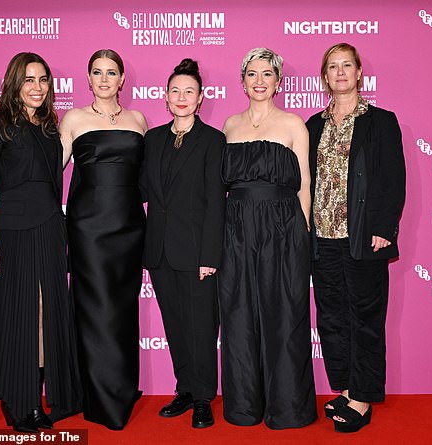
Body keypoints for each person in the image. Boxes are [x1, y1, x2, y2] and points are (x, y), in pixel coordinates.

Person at [0, 52, 81, 433]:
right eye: (29, 80)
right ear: (14, 84)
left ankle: (39, 396)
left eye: (43, 80)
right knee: (21, 313)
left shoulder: (51, 128)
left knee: (46, 315)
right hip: (13, 233)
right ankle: (19, 401)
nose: (37, 88)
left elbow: (56, 182)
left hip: (50, 229)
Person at [306, 43, 406, 433]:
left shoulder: (381, 121)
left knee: (365, 318)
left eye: (347, 65)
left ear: (359, 72)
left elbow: (393, 179)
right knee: (331, 319)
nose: (341, 72)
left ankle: (362, 399)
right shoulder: (314, 125)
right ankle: (347, 389)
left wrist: (384, 227)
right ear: (325, 76)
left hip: (364, 237)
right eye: (333, 67)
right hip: (323, 239)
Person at [218, 48, 316, 429]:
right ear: (242, 80)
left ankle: (288, 407)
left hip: (283, 228)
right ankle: (244, 406)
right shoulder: (228, 125)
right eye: (252, 74)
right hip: (236, 228)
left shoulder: (294, 124)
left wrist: (301, 235)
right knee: (238, 315)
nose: (259, 81)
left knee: (285, 315)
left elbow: (305, 184)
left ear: (278, 81)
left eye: (267, 74)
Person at [59, 49, 147, 430]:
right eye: (98, 72)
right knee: (95, 310)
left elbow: (148, 178)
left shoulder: (138, 120)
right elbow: (51, 171)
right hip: (89, 228)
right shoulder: (74, 118)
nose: (105, 79)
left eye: (112, 72)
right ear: (89, 78)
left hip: (129, 226)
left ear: (123, 78)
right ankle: (96, 397)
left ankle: (123, 389)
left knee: (123, 311)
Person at [141, 59, 225, 429]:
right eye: (175, 90)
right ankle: (186, 389)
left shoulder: (212, 140)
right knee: (175, 325)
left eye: (189, 91)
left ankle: (204, 396)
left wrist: (210, 255)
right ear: (165, 97)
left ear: (201, 98)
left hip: (195, 253)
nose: (181, 97)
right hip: (159, 250)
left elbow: (215, 201)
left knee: (201, 326)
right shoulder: (153, 139)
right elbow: (142, 190)